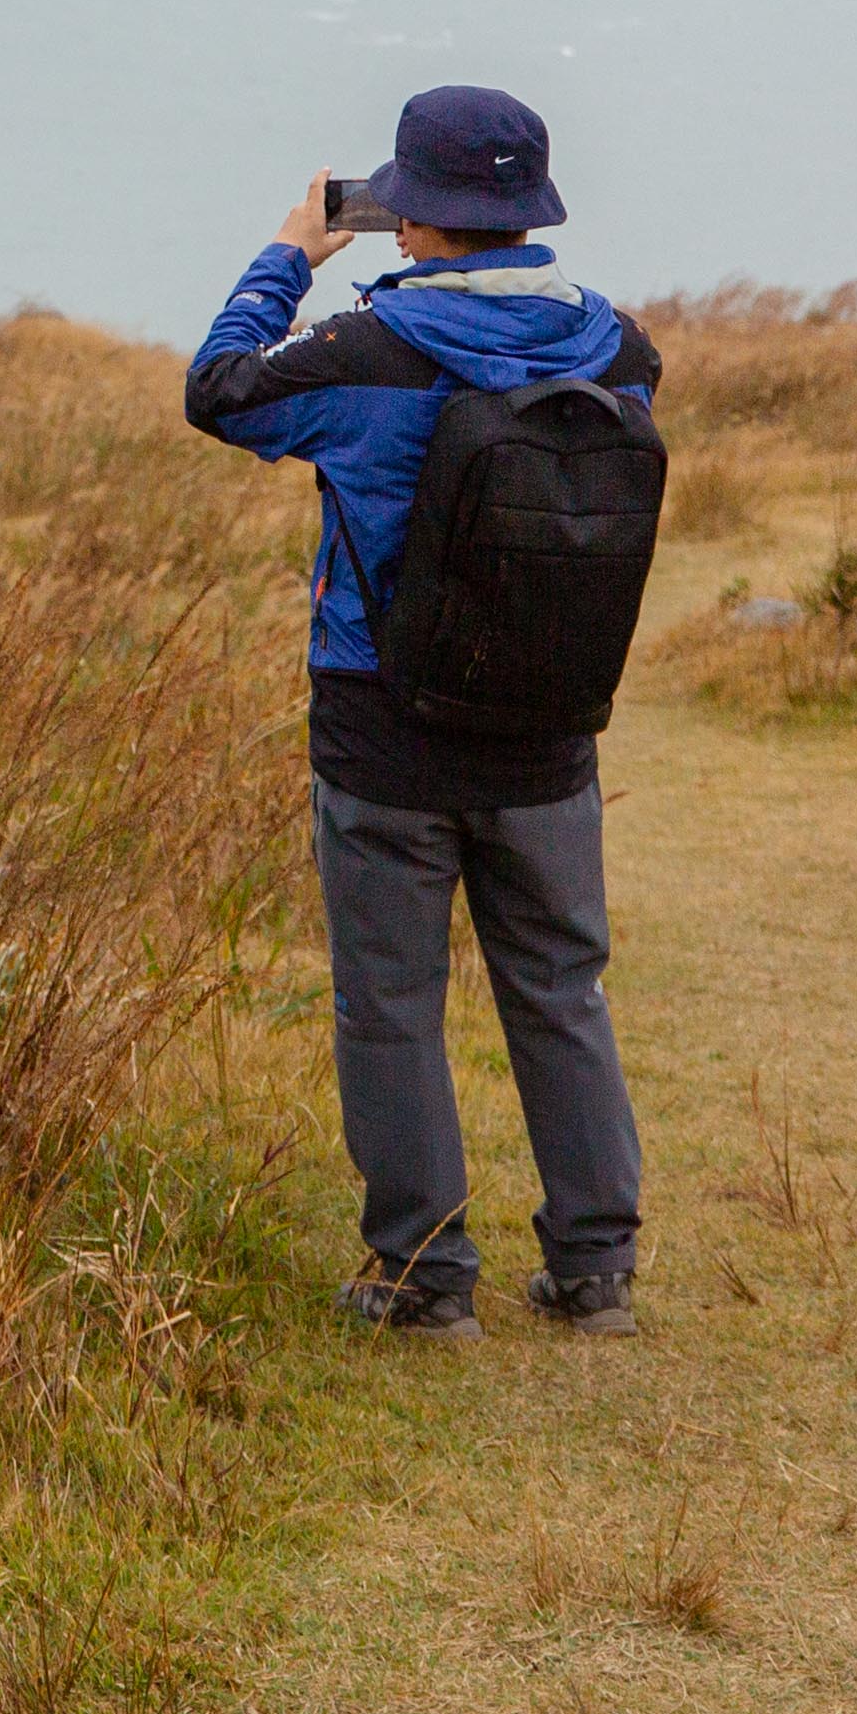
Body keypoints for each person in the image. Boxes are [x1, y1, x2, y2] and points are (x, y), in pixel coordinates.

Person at [185, 83, 658, 1341]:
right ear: (524, 207)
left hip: (379, 726)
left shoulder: (361, 356)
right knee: (559, 988)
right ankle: (595, 1267)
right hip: (547, 727)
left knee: (387, 1003)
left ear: (410, 212)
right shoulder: (619, 350)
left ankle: (420, 1274)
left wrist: (286, 258)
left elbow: (218, 391)